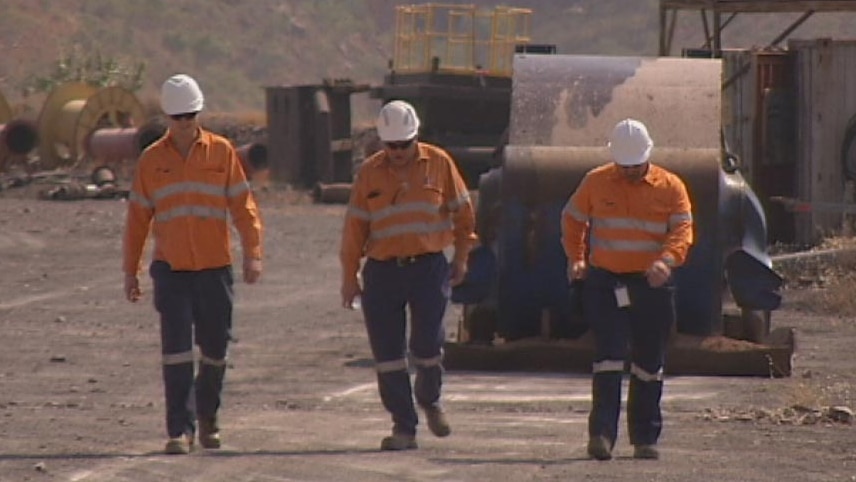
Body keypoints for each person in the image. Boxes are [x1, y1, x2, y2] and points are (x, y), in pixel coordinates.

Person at [122, 74, 263, 455]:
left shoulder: (222, 153)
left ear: (198, 114)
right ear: (168, 117)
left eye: (191, 116)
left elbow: (243, 206)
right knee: (177, 350)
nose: (185, 123)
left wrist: (253, 252)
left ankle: (208, 417)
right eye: (178, 117)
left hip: (215, 269)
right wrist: (130, 270)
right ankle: (178, 430)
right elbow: (137, 220)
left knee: (215, 348)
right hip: (172, 270)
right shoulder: (152, 162)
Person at [339, 100, 477, 450]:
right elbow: (355, 228)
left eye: (405, 144)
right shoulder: (369, 173)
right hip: (383, 272)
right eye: (392, 145)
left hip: (428, 268)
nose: (398, 152)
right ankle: (404, 426)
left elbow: (464, 217)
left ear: (416, 137)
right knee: (387, 354)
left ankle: (429, 398)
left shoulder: (440, 164)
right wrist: (349, 276)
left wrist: (460, 258)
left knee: (427, 345)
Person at [561, 118, 693, 461]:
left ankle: (645, 439)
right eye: (624, 166)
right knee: (608, 356)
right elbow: (572, 219)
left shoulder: (671, 186)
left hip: (651, 285)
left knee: (649, 362)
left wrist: (667, 262)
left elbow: (682, 231)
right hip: (606, 281)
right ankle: (602, 435)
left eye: (636, 166)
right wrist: (577, 259)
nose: (631, 172)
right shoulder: (596, 181)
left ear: (647, 156)